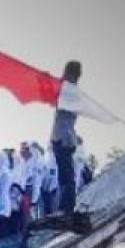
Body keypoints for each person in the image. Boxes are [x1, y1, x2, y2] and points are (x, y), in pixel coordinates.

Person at [50, 60, 82, 216]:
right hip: (62, 138)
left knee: (66, 177)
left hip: (64, 138)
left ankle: (66, 209)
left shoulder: (69, 91)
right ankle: (65, 209)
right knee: (65, 177)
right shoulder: (67, 90)